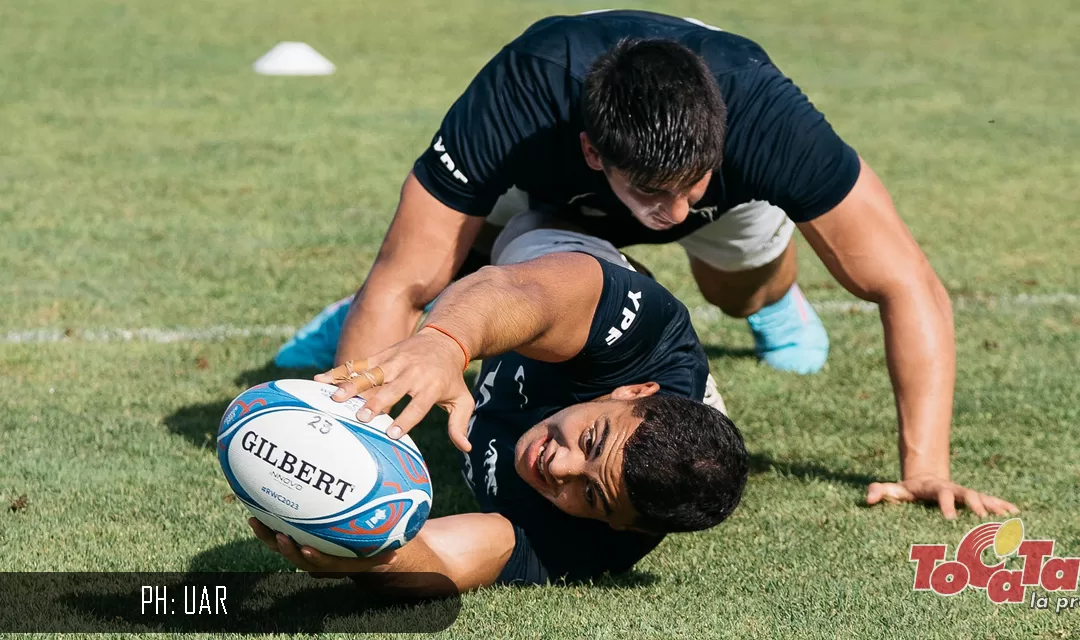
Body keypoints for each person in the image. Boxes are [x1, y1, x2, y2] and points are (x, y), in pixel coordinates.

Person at [274, 10, 1017, 518]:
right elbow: (402, 275)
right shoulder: (522, 92)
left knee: (737, 288)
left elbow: (905, 281)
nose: (670, 212)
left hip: (726, 188)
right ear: (595, 153)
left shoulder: (765, 118)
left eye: (687, 188)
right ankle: (394, 317)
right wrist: (343, 465)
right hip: (546, 188)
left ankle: (769, 304)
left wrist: (925, 467)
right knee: (427, 272)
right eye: (651, 195)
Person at [251, 229, 749, 593]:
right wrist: (445, 344)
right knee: (504, 245)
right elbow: (519, 292)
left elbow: (447, 558)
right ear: (632, 393)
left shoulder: (595, 544)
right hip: (561, 234)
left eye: (592, 495)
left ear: (624, 526)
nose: (560, 466)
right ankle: (394, 301)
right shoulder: (645, 341)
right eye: (592, 441)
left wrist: (367, 556)